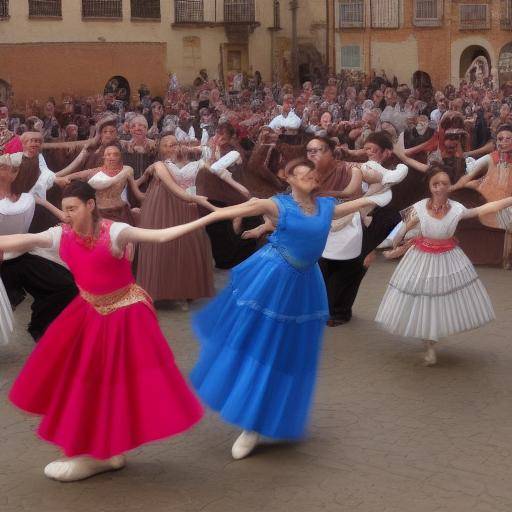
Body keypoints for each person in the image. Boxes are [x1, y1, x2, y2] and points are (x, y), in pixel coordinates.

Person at [5, 181, 208, 482]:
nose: (67, 215)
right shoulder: (61, 235)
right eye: (65, 210)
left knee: (109, 381)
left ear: (90, 205)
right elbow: (23, 239)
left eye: (72, 208)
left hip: (125, 315)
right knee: (79, 376)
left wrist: (212, 216)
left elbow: (161, 235)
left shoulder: (114, 231)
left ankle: (100, 452)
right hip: (88, 310)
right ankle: (105, 450)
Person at [190, 159, 390, 460]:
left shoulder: (326, 206)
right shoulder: (277, 205)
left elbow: (354, 204)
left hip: (305, 284)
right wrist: (206, 218)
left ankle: (268, 414)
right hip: (272, 278)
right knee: (263, 345)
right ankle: (250, 424)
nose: (310, 177)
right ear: (289, 179)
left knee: (289, 353)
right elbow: (244, 210)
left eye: (312, 173)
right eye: (303, 174)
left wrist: (378, 194)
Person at [376, 164, 512, 366]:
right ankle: (429, 345)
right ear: (430, 186)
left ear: (450, 186)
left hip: (448, 258)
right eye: (435, 184)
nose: (440, 188)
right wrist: (395, 240)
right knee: (422, 298)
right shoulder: (421, 206)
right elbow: (407, 224)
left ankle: (432, 341)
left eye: (444, 184)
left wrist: (509, 200)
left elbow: (483, 209)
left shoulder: (457, 209)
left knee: (439, 299)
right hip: (420, 258)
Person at [0, 154, 77, 340]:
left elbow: (60, 214)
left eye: (4, 166)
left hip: (21, 256)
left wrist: (65, 218)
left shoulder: (27, 198)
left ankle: (39, 325)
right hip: (2, 260)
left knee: (66, 285)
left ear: (15, 173)